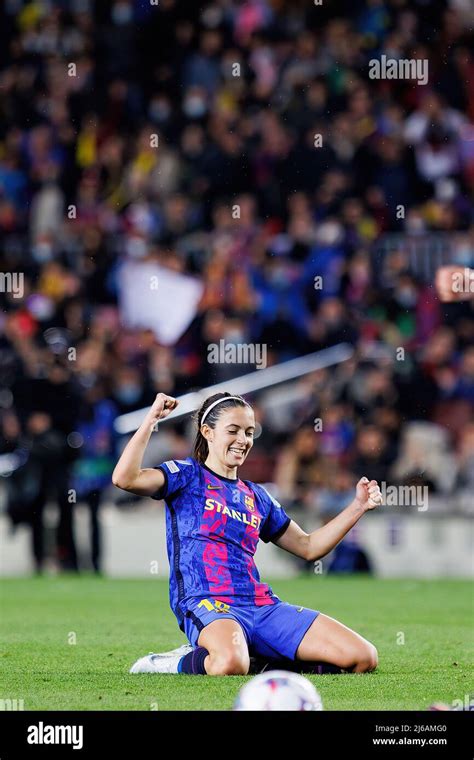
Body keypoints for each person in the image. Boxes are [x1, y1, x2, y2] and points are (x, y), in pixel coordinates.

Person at [112, 392, 382, 676]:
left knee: (362, 657)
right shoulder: (186, 475)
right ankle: (171, 663)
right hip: (207, 601)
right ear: (208, 432)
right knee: (230, 663)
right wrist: (151, 419)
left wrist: (358, 506)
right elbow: (124, 478)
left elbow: (308, 546)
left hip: (259, 604)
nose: (243, 440)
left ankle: (257, 659)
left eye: (249, 432)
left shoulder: (257, 496)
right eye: (233, 430)